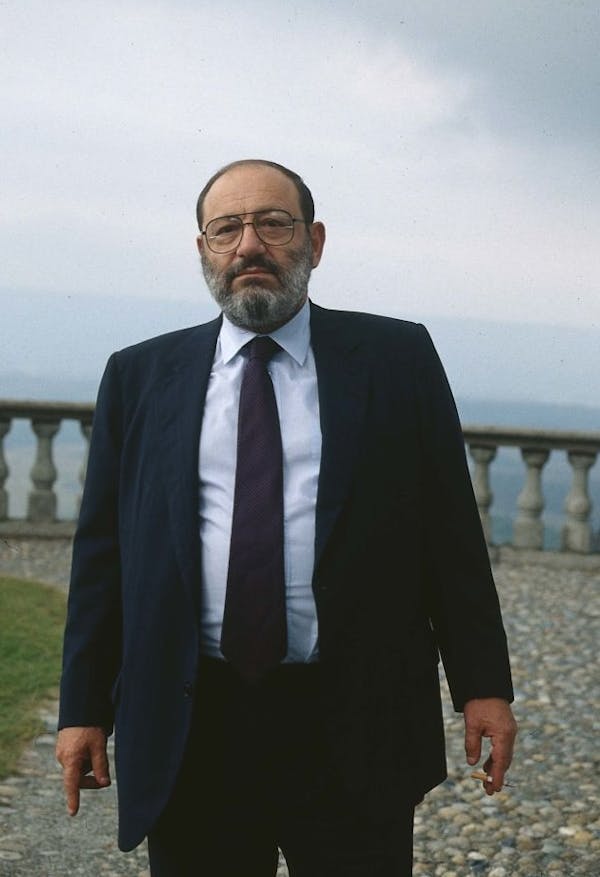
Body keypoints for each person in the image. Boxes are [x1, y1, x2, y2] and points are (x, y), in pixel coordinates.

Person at [56, 159, 517, 876]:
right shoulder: (140, 376)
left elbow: (451, 536)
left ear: (316, 240)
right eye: (227, 228)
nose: (249, 245)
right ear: (203, 249)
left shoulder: (397, 359)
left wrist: (483, 685)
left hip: (351, 719)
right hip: (192, 724)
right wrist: (82, 707)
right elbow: (102, 559)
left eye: (274, 223)